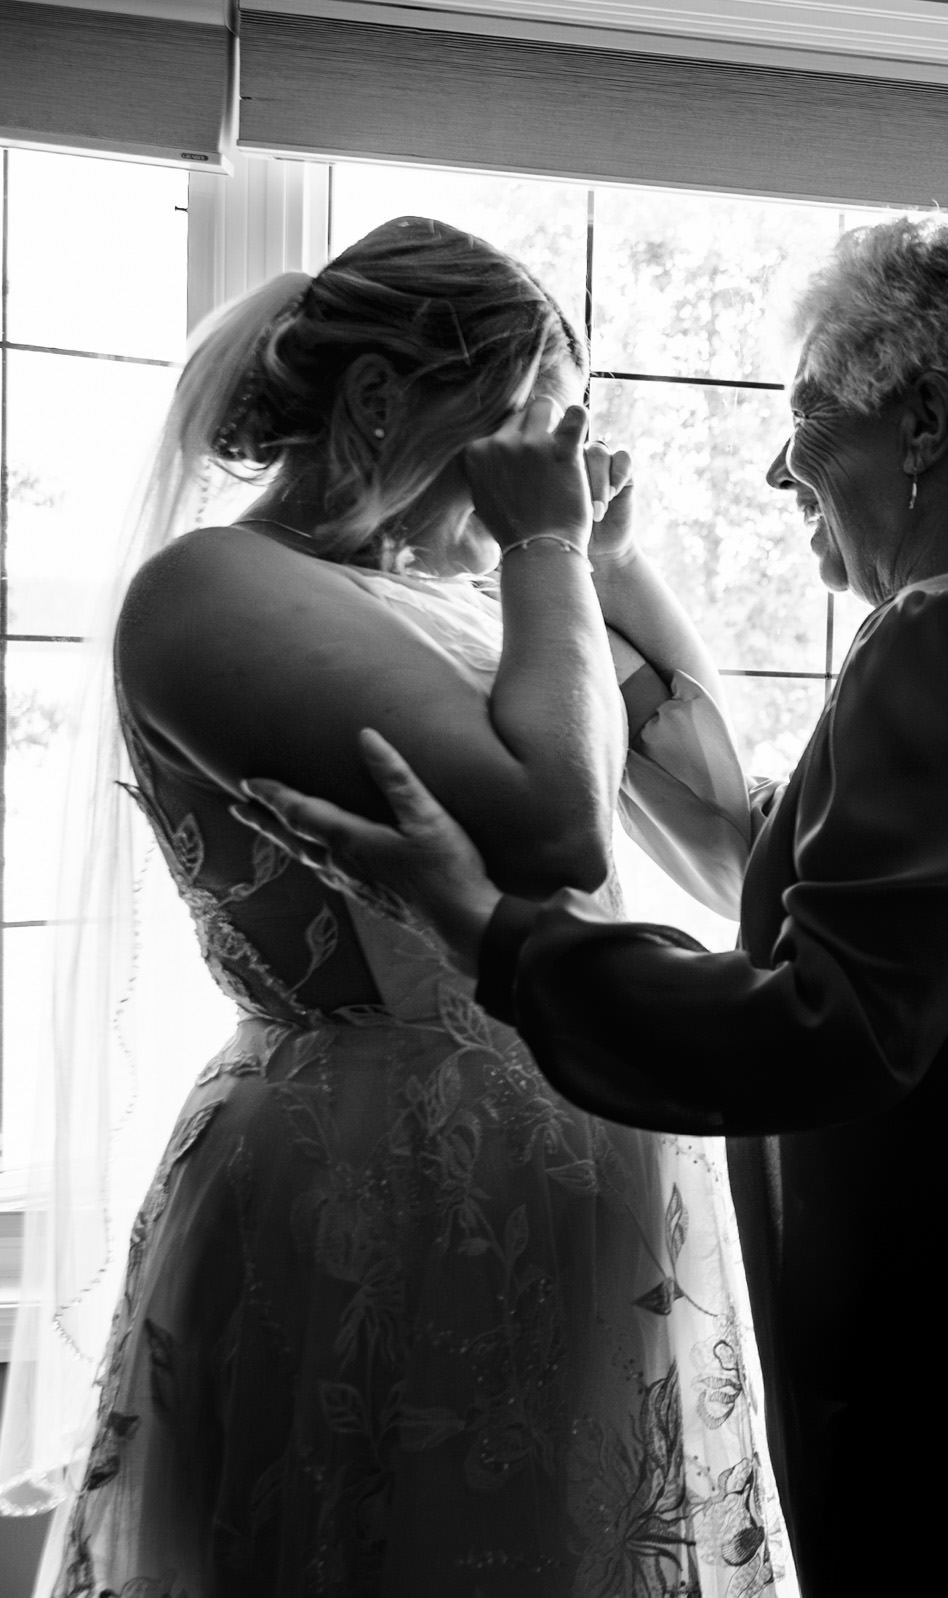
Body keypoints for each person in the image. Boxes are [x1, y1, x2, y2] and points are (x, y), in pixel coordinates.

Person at [244, 217, 948, 1598]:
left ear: (923, 421)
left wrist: (496, 933)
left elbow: (829, 1018)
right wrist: (598, 574)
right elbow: (767, 855)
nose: (781, 464)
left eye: (807, 423)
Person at [5, 217, 792, 1596]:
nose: (523, 483)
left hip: (573, 1201)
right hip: (377, 1201)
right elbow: (552, 822)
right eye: (521, 432)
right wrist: (547, 549)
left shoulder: (469, 596)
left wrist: (606, 557)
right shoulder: (208, 593)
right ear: (379, 404)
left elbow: (725, 836)